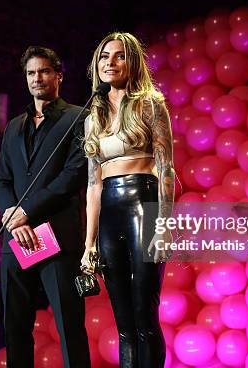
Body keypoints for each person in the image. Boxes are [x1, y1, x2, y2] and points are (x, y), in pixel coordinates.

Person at [81, 32, 174, 367]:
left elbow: (166, 167)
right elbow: (93, 185)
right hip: (110, 209)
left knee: (143, 314)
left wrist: (163, 224)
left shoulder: (150, 104)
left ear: (132, 62)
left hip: (143, 202)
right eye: (105, 57)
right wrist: (89, 243)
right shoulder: (95, 116)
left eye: (119, 56)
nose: (111, 63)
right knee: (123, 323)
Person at [0, 46, 90, 368]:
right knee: (15, 327)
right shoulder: (14, 127)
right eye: (31, 73)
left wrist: (27, 212)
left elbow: (73, 175)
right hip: (17, 237)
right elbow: (2, 181)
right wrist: (13, 218)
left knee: (69, 325)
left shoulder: (78, 117)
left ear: (58, 76)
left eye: (44, 71)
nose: (38, 78)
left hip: (59, 237)